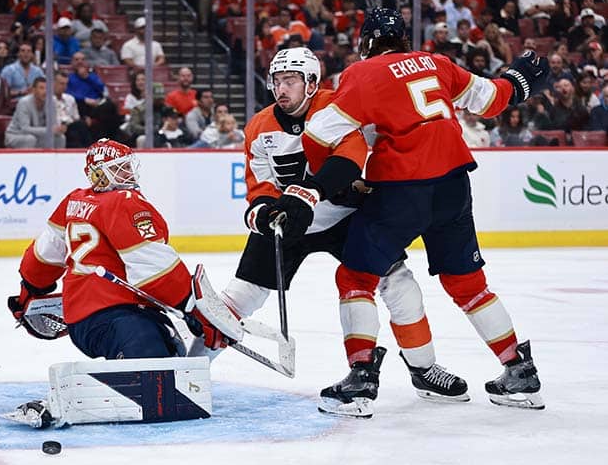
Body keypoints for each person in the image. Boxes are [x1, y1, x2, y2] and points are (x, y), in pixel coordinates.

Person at [301, 8, 549, 413]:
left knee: (356, 277)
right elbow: (491, 100)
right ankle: (519, 371)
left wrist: (331, 182)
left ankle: (361, 379)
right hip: (453, 183)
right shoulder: (437, 63)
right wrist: (516, 80)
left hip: (401, 187)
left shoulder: (362, 74)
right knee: (469, 285)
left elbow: (318, 133)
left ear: (366, 42)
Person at [201, 47, 469, 418]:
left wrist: (308, 194)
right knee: (242, 295)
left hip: (344, 215)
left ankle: (424, 368)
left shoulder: (336, 107)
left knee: (399, 283)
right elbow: (259, 186)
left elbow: (350, 157)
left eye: (291, 81)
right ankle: (190, 370)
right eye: (277, 81)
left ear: (312, 83)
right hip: (288, 222)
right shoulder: (259, 127)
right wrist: (263, 214)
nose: (282, 88)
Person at [8, 139, 224, 426]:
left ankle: (112, 376)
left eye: (127, 168)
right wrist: (196, 311)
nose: (128, 175)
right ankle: (66, 400)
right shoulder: (125, 203)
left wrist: (28, 291)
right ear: (98, 174)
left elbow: (44, 255)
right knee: (158, 386)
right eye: (118, 170)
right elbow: (155, 270)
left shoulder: (74, 201)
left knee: (172, 358)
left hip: (83, 323)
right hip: (118, 318)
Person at [5, 77, 67, 148]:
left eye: (47, 88)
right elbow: (25, 129)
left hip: (38, 136)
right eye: (41, 88)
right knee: (30, 139)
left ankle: (56, 159)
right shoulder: (24, 103)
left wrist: (59, 129)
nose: (45, 91)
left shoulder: (51, 102)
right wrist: (50, 130)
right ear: (34, 90)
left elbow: (53, 126)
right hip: (16, 135)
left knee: (60, 138)